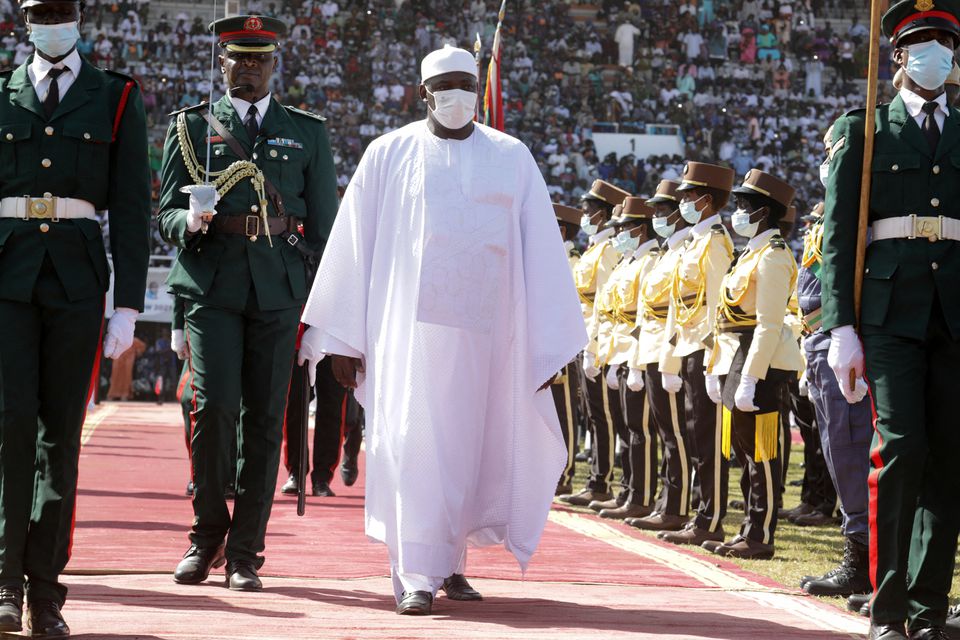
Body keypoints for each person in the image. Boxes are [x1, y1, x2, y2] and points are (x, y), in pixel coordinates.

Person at [298, 45, 586, 616]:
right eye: (445, 84)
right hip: (408, 340)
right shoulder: (388, 153)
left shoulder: (512, 156)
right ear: (424, 90)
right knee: (412, 447)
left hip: (489, 342)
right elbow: (355, 246)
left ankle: (452, 562)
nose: (456, 94)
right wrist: (343, 342)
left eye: (466, 84)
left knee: (474, 451)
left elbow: (542, 252)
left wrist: (548, 342)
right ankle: (413, 574)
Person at [157, 16, 338, 592]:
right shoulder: (191, 126)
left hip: (280, 290)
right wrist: (186, 219)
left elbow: (326, 230)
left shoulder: (307, 132)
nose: (250, 67)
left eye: (261, 58)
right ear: (223, 62)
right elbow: (162, 212)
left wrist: (319, 308)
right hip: (212, 285)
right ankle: (205, 536)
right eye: (240, 58)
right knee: (213, 410)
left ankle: (244, 553)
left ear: (274, 63)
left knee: (265, 417)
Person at [0, 0, 150, 635]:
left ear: (78, 21)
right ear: (25, 23)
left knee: (60, 438)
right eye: (41, 12)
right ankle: (5, 585)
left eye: (61, 11)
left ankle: (46, 594)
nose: (51, 22)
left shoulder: (114, 96)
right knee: (8, 432)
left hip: (77, 283)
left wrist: (129, 306)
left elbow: (134, 208)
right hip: (7, 276)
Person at [821, 2, 960, 637]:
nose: (938, 53)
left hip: (955, 312)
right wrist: (841, 327)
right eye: (924, 42)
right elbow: (839, 235)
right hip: (888, 314)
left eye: (946, 43)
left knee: (948, 458)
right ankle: (889, 606)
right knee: (899, 450)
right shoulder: (865, 129)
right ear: (899, 55)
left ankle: (931, 609)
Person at [702, 169, 802, 560]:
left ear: (763, 212)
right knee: (744, 451)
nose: (736, 211)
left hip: (759, 360)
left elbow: (769, 324)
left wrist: (750, 377)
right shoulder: (752, 253)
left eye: (744, 205)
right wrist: (716, 365)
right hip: (736, 356)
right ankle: (747, 528)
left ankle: (760, 534)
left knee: (761, 452)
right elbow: (724, 320)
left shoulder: (774, 256)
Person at [633, 162, 734, 544]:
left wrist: (711, 360)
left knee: (707, 440)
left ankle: (710, 519)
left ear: (707, 200)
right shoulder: (693, 242)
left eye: (690, 196)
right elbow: (679, 306)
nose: (684, 202)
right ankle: (698, 514)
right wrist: (672, 357)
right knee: (693, 438)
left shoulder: (715, 243)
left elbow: (715, 307)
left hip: (705, 349)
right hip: (686, 347)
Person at [797, 140, 871, 601]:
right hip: (818, 340)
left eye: (835, 156)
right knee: (836, 450)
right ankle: (858, 551)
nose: (827, 164)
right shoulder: (827, 216)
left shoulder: (859, 211)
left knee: (850, 451)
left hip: (845, 338)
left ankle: (863, 556)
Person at [558, 178, 630, 508]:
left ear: (602, 214)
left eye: (588, 210)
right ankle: (596, 481)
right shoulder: (595, 250)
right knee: (595, 415)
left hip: (595, 341)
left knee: (602, 417)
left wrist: (595, 346)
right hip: (581, 337)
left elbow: (604, 302)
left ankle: (601, 482)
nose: (583, 215)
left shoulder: (607, 251)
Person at [625, 180, 692, 531]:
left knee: (675, 434)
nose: (659, 217)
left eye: (665, 211)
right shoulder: (669, 251)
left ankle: (678, 506)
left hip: (671, 351)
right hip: (651, 349)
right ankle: (667, 502)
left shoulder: (685, 251)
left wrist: (670, 359)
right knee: (665, 432)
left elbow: (679, 312)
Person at [590, 198, 661, 520]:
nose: (617, 234)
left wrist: (630, 360)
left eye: (622, 228)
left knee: (638, 429)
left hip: (635, 352)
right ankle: (628, 490)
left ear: (639, 229)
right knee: (625, 427)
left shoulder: (649, 261)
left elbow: (643, 317)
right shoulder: (627, 262)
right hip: (618, 352)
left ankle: (641, 495)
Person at [551, 203, 584, 495]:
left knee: (566, 416)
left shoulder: (572, 262)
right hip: (547, 348)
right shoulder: (550, 260)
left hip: (566, 350)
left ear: (560, 230)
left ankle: (565, 474)